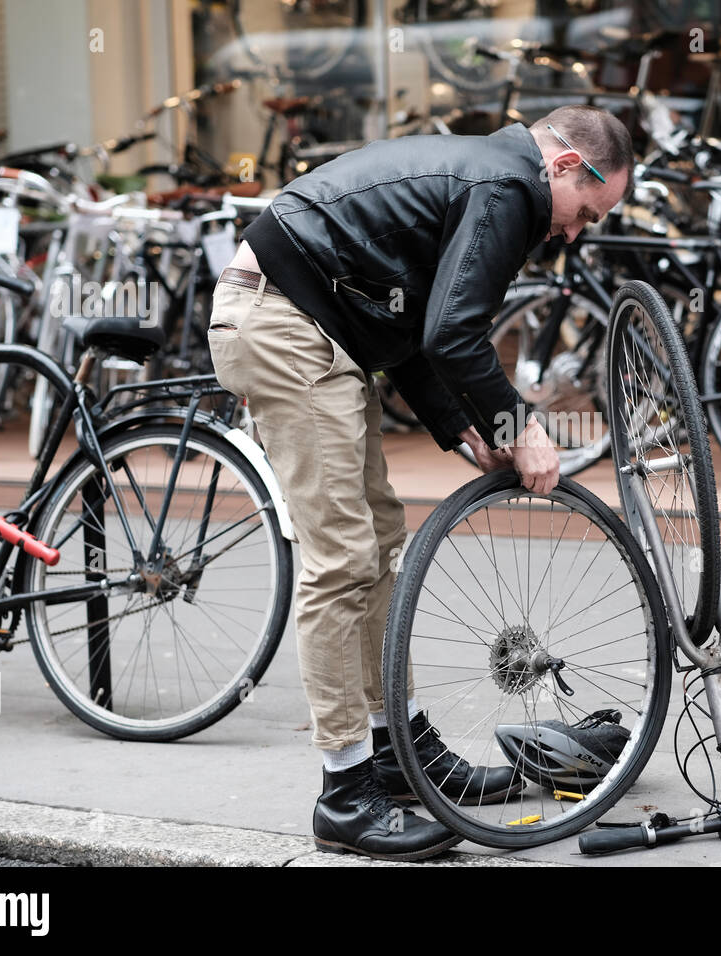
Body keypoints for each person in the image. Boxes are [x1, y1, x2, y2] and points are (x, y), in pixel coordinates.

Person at [207, 105, 633, 860]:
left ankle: (399, 753)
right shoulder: (510, 185)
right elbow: (451, 331)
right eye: (585, 215)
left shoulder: (489, 174)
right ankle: (345, 794)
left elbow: (412, 322)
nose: (573, 235)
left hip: (318, 326)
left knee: (377, 547)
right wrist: (517, 427)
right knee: (342, 563)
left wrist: (461, 424)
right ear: (567, 166)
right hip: (286, 324)